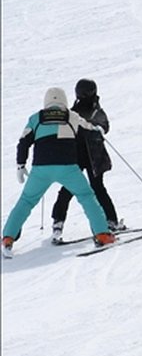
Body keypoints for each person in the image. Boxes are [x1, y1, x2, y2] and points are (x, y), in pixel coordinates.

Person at [3, 88, 114, 258]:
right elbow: (89, 128)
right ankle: (102, 234)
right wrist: (99, 130)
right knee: (86, 196)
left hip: (41, 170)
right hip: (68, 168)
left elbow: (23, 142)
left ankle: (8, 238)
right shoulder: (71, 116)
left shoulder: (36, 118)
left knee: (26, 201)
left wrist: (20, 165)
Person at [49, 79, 124, 243]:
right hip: (87, 155)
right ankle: (111, 220)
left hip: (84, 155)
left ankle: (58, 222)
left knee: (73, 188)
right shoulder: (86, 110)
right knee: (95, 188)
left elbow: (103, 126)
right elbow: (103, 126)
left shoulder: (85, 111)